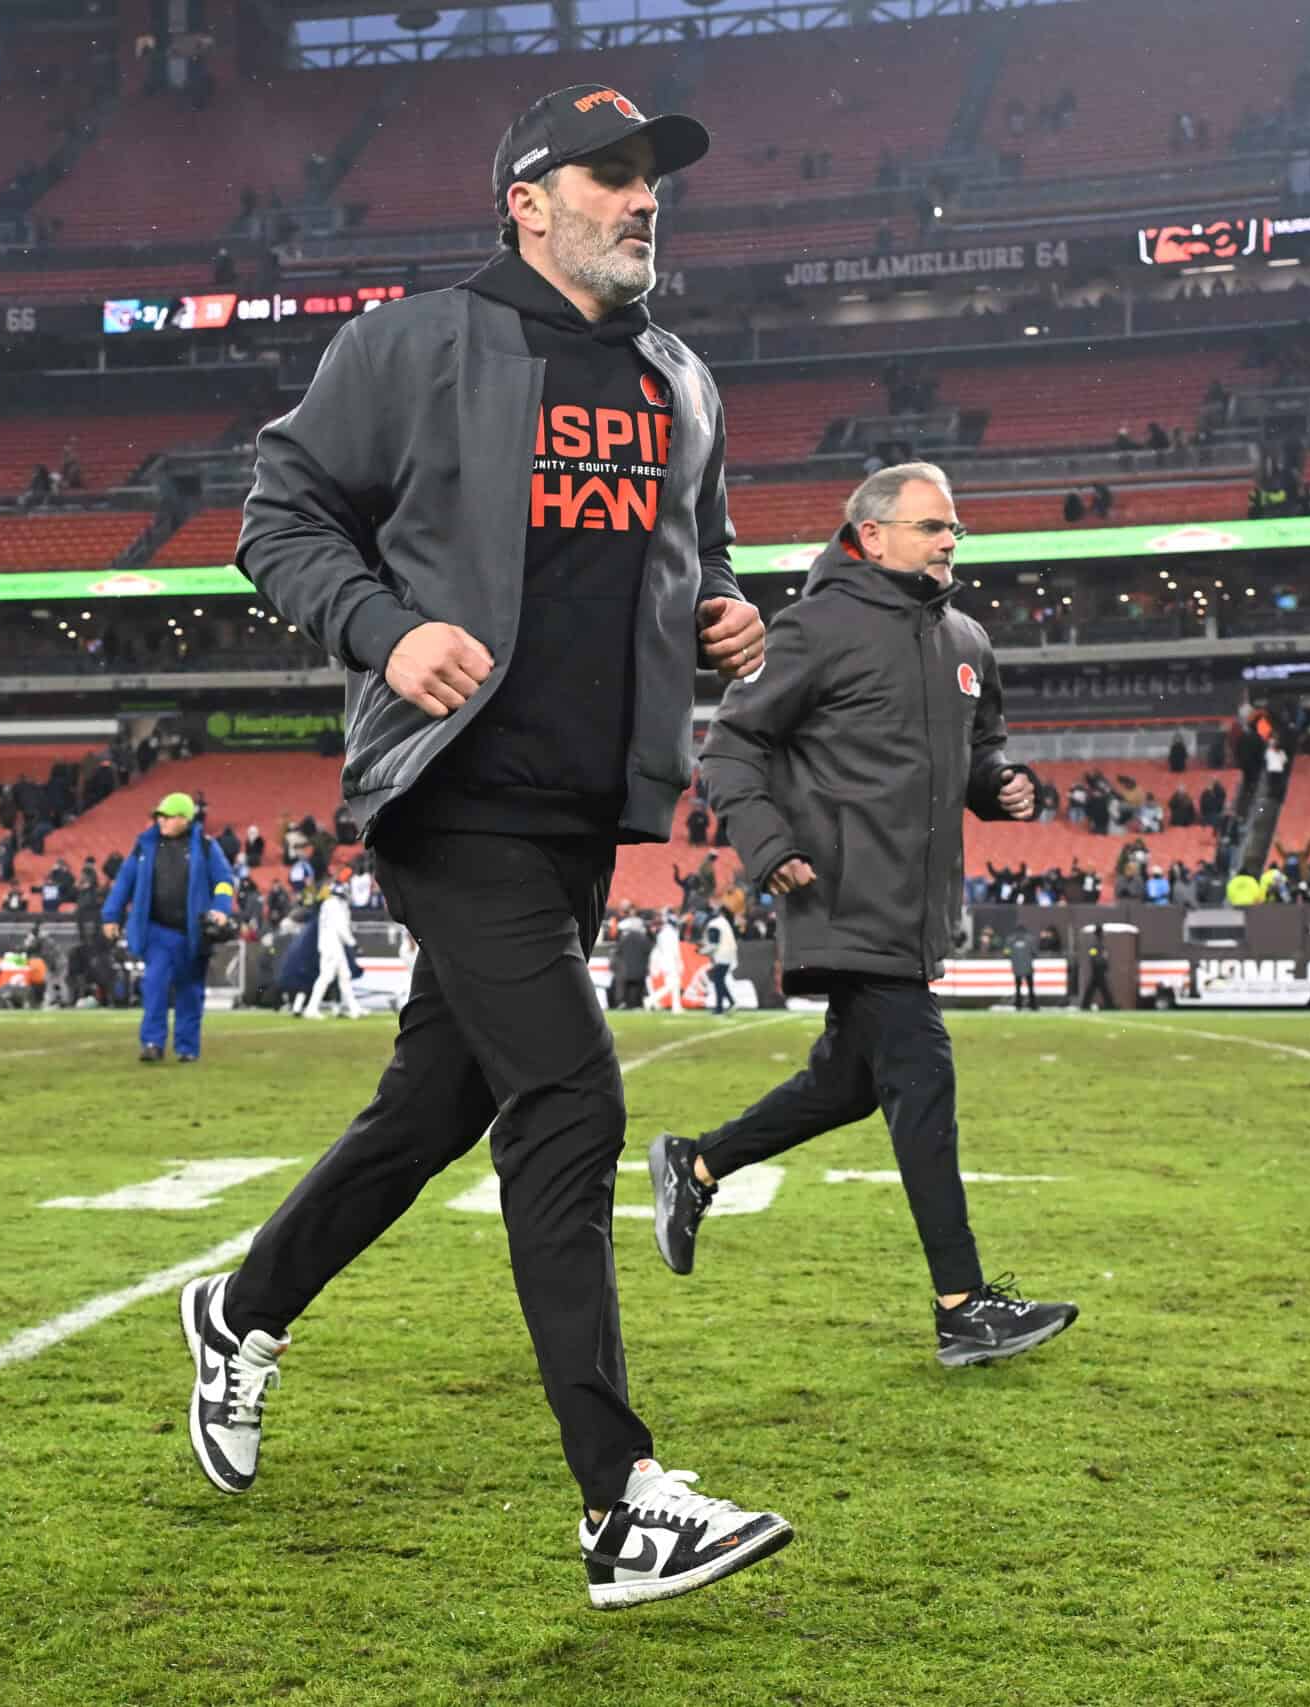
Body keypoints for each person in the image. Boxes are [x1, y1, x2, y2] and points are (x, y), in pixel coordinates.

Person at [189, 82, 789, 1611]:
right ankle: (619, 1499)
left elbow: (698, 557)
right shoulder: (407, 343)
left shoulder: (682, 379)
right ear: (526, 197)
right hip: (451, 794)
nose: (644, 198)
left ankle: (241, 1309)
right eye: (611, 174)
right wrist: (387, 633)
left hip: (586, 806)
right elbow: (279, 515)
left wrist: (724, 619)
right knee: (570, 1099)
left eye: (655, 176)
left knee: (436, 1102)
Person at [646, 460, 1078, 1371]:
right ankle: (964, 1306)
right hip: (839, 892)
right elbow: (730, 747)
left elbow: (979, 751)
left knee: (847, 1083)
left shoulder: (967, 639)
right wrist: (768, 847)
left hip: (915, 906)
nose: (950, 539)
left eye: (954, 526)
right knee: (921, 1073)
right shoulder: (816, 628)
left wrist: (1000, 789)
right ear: (871, 536)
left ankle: (696, 1165)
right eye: (930, 526)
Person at [103, 792, 239, 1062]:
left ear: (184, 819)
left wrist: (221, 909)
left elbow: (223, 880)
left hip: (192, 932)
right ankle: (152, 1043)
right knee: (155, 983)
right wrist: (111, 915)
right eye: (159, 816)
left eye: (167, 816)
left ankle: (186, 1048)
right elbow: (124, 882)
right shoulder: (145, 846)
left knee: (190, 990)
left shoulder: (206, 847)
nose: (161, 821)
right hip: (157, 930)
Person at [303, 879, 360, 1018]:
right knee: (326, 976)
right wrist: (353, 943)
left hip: (332, 944)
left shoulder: (328, 904)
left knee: (344, 975)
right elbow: (341, 927)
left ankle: (354, 1008)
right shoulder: (335, 905)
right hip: (332, 945)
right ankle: (311, 1008)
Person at [704, 903, 739, 1014]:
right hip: (729, 955)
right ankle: (731, 1002)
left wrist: (701, 951)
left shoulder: (714, 924)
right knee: (718, 980)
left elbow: (714, 944)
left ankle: (719, 1007)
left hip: (722, 956)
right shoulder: (724, 922)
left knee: (718, 980)